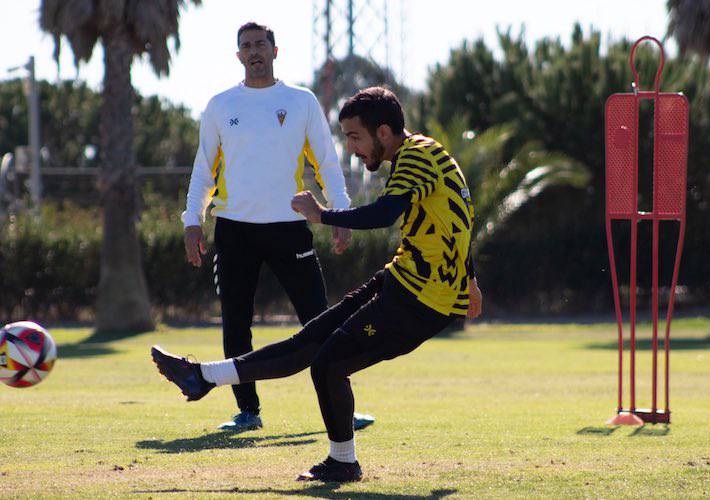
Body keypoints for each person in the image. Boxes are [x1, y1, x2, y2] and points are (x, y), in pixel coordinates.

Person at [155, 86, 483, 482]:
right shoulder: (425, 151)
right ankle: (202, 377)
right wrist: (471, 278)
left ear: (382, 132)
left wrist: (324, 215)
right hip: (403, 279)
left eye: (354, 137)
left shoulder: (415, 157)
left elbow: (384, 214)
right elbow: (458, 214)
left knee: (328, 362)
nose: (352, 149)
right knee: (310, 341)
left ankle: (343, 461)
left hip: (423, 300)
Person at [182, 21, 374, 432]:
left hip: (289, 227)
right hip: (234, 229)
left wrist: (339, 214)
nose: (253, 51)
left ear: (274, 50)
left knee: (320, 320)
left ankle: (343, 407)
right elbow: (204, 171)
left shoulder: (301, 102)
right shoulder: (220, 105)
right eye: (245, 46)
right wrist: (192, 221)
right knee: (236, 323)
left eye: (260, 44)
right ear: (238, 55)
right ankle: (247, 411)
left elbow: (326, 163)